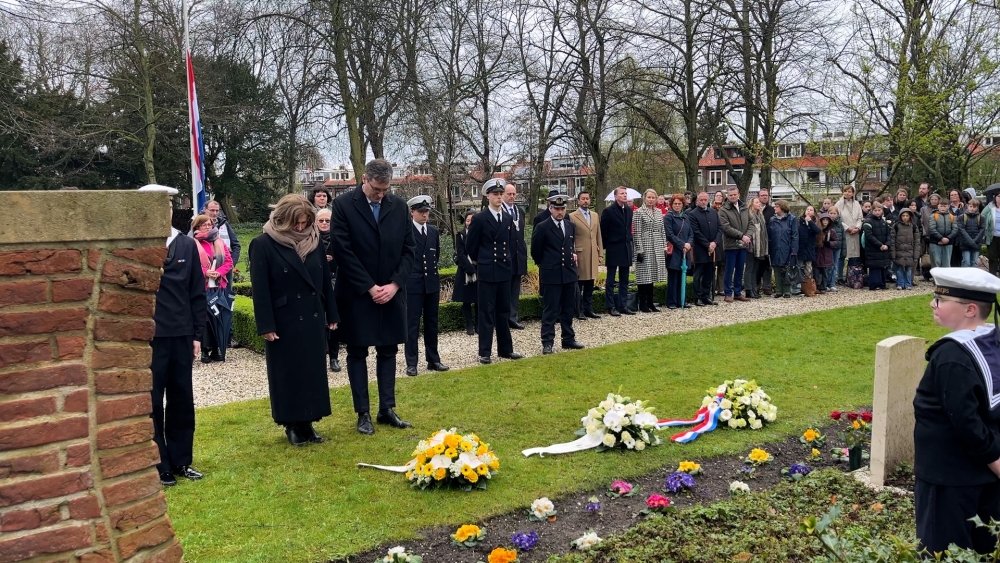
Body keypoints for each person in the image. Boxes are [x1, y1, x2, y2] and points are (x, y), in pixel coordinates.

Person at [914, 267, 1000, 555]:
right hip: (985, 478)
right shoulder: (993, 340)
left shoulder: (952, 357)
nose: (932, 304)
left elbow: (966, 422)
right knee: (987, 549)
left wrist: (995, 460)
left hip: (950, 478)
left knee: (944, 553)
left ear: (970, 309)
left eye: (940, 299)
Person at [330, 159, 414, 435]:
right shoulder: (343, 205)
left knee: (388, 349)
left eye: (385, 189)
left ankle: (386, 409)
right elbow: (343, 250)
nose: (381, 194)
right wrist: (368, 286)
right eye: (377, 189)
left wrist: (394, 285)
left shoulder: (399, 207)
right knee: (357, 351)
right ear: (364, 179)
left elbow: (408, 250)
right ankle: (362, 412)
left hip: (391, 293)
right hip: (357, 294)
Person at [249, 194, 339, 445]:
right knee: (287, 373)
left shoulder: (315, 241)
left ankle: (309, 421)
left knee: (312, 371)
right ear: (282, 219)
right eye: (295, 223)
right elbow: (260, 288)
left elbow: (323, 283)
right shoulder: (263, 244)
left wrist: (331, 313)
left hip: (311, 316)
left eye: (304, 222)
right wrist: (266, 324)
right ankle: (291, 423)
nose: (300, 228)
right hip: (284, 319)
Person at [146, 185, 206, 487]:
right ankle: (160, 464)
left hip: (181, 334)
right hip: (150, 337)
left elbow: (197, 292)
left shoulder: (185, 244)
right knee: (153, 400)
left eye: (167, 206)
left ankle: (182, 460)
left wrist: (197, 334)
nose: (163, 211)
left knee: (182, 398)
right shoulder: (139, 246)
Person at [468, 179, 524, 364]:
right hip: (487, 269)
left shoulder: (507, 218)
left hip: (503, 270)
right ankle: (485, 352)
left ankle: (505, 350)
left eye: (501, 194)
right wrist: (483, 260)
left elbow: (508, 243)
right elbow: (471, 247)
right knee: (486, 313)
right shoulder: (480, 219)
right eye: (495, 194)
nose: (499, 197)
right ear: (487, 196)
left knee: (503, 311)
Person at [531, 195, 585, 354]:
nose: (560, 212)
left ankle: (568, 339)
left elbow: (570, 247)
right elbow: (535, 252)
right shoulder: (542, 227)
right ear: (550, 209)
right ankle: (547, 342)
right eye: (557, 209)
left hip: (568, 273)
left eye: (562, 209)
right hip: (551, 274)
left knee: (568, 308)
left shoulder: (570, 226)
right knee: (550, 310)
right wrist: (547, 264)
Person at [404, 195, 450, 376]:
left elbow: (435, 256)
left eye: (426, 211)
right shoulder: (406, 232)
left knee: (432, 324)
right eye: (421, 211)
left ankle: (433, 360)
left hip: (431, 283)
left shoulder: (433, 232)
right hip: (414, 284)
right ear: (412, 212)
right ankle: (412, 362)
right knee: (412, 325)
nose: (425, 214)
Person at [191, 214, 233, 363]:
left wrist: (219, 273)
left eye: (210, 224)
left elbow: (229, 261)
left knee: (218, 317)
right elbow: (192, 264)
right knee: (205, 318)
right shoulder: (193, 243)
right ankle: (204, 350)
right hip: (203, 287)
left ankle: (217, 348)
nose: (208, 226)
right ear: (197, 227)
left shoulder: (219, 241)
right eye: (205, 225)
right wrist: (205, 272)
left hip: (218, 285)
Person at [601, 186, 636, 316]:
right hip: (613, 248)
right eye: (622, 193)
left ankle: (622, 305)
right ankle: (610, 306)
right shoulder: (608, 211)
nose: (625, 195)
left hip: (626, 248)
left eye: (626, 193)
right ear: (616, 197)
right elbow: (603, 231)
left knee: (624, 279)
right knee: (611, 279)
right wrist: (607, 246)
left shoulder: (629, 210)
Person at [569, 190, 603, 319]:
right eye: (583, 199)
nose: (585, 201)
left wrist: (600, 253)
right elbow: (570, 237)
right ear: (578, 201)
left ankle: (589, 308)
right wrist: (572, 252)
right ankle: (579, 310)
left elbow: (598, 235)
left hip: (593, 253)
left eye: (587, 198)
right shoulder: (572, 216)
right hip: (580, 253)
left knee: (590, 283)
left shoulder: (594, 215)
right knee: (580, 283)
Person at [633, 189, 668, 312]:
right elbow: (636, 232)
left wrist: (664, 245)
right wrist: (639, 250)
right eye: (649, 197)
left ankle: (650, 302)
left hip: (657, 245)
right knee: (644, 275)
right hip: (645, 245)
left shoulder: (658, 212)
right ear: (644, 198)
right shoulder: (638, 212)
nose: (651, 199)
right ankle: (642, 303)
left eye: (653, 197)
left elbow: (662, 230)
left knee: (653, 275)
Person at [316, 209, 342, 372]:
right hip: (316, 284)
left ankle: (334, 357)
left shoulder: (339, 238)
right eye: (321, 221)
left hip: (335, 281)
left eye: (328, 221)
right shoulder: (309, 238)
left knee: (334, 322)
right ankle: (319, 357)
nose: (325, 224)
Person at [502, 184, 528, 330]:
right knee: (505, 289)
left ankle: (513, 317)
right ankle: (503, 318)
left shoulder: (520, 211)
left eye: (513, 194)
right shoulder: (501, 212)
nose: (511, 197)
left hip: (518, 256)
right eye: (509, 194)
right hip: (506, 257)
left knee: (515, 289)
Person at [719, 186, 752, 302]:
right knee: (729, 270)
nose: (733, 196)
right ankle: (728, 293)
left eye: (735, 194)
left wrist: (747, 236)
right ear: (728, 196)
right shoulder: (723, 210)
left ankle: (738, 292)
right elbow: (726, 227)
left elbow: (751, 223)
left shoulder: (744, 208)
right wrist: (741, 235)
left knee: (740, 269)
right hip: (730, 245)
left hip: (743, 244)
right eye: (731, 195)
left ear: (738, 194)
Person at [690, 191, 720, 307]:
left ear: (708, 200)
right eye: (701, 200)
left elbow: (719, 228)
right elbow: (696, 232)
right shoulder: (693, 214)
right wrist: (708, 245)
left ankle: (705, 295)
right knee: (698, 274)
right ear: (697, 201)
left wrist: (714, 243)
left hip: (713, 248)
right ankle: (697, 297)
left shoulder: (713, 212)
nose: (703, 202)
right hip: (700, 249)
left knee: (709, 273)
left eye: (705, 200)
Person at [664, 194, 694, 309]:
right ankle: (671, 301)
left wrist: (689, 244)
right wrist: (682, 244)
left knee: (683, 276)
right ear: (671, 204)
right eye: (675, 204)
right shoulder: (669, 217)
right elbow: (669, 234)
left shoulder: (686, 217)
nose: (677, 206)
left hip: (685, 251)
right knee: (673, 277)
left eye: (679, 204)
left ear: (683, 205)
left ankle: (682, 300)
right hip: (675, 250)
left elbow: (691, 233)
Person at [453, 209, 479, 335]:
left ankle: (479, 325)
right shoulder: (460, 235)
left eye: (472, 220)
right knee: (467, 300)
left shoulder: (480, 234)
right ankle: (469, 325)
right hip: (465, 272)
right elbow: (460, 254)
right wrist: (469, 269)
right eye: (468, 220)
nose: (470, 223)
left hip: (479, 269)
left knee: (479, 299)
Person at [768, 200, 798, 299]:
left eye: (776, 206)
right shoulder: (772, 220)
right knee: (776, 268)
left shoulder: (792, 219)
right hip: (775, 247)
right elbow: (769, 235)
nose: (774, 208)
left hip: (787, 247)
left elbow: (795, 235)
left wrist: (794, 250)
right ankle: (778, 291)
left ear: (782, 207)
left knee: (787, 269)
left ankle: (786, 291)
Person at [835, 185, 864, 280]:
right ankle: (839, 277)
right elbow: (837, 218)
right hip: (844, 232)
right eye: (846, 191)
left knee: (853, 255)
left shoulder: (856, 204)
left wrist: (858, 227)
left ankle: (851, 276)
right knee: (842, 256)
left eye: (850, 191)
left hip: (855, 232)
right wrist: (847, 228)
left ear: (853, 193)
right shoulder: (839, 204)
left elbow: (860, 217)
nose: (848, 193)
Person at [743, 197, 769, 299]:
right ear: (751, 204)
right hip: (751, 246)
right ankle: (748, 290)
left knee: (755, 269)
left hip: (760, 247)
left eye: (759, 202)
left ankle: (754, 289)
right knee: (749, 269)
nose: (759, 204)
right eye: (757, 202)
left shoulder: (760, 216)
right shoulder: (749, 215)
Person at [863, 201, 892, 290]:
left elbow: (889, 234)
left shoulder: (884, 221)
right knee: (875, 268)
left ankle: (882, 284)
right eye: (875, 210)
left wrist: (887, 244)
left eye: (879, 210)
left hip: (884, 248)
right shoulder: (868, 221)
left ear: (882, 211)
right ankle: (874, 285)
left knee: (883, 267)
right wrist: (880, 245)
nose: (877, 212)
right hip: (873, 249)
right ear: (872, 211)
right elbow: (869, 236)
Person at [892, 208, 920, 290]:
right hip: (899, 250)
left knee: (909, 269)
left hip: (910, 250)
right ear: (900, 216)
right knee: (899, 269)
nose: (905, 217)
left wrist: (916, 255)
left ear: (910, 216)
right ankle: (900, 284)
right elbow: (892, 241)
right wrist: (893, 254)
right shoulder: (896, 226)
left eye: (907, 216)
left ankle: (908, 284)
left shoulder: (913, 226)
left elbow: (917, 241)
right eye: (903, 216)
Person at [795, 205, 821, 294]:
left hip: (809, 249)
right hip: (800, 249)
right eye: (807, 210)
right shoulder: (799, 221)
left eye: (811, 210)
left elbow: (817, 231)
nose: (809, 211)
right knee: (799, 268)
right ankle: (798, 287)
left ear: (814, 213)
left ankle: (808, 287)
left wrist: (810, 221)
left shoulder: (814, 222)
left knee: (808, 269)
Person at [929, 198, 958, 270]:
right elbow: (932, 229)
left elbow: (955, 229)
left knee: (946, 262)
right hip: (935, 242)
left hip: (948, 243)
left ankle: (945, 279)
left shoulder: (952, 217)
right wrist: (941, 238)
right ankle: (936, 279)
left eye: (944, 206)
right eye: (941, 206)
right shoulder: (933, 216)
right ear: (938, 206)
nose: (942, 208)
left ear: (948, 206)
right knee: (936, 261)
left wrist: (948, 238)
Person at [757, 189, 775, 295]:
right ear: (758, 196)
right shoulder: (754, 209)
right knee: (757, 264)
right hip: (758, 241)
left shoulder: (772, 210)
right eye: (762, 195)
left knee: (768, 265)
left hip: (769, 241)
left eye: (766, 195)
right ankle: (756, 285)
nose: (764, 197)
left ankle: (767, 286)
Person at [815, 212, 838, 294]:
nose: (825, 221)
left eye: (827, 220)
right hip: (817, 254)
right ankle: (816, 286)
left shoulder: (831, 231)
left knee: (825, 273)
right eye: (823, 220)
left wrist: (829, 243)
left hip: (826, 254)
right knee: (816, 273)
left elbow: (836, 242)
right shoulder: (817, 230)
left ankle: (823, 287)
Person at [958, 198, 985, 268]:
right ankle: (964, 278)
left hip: (976, 243)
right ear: (967, 206)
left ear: (977, 207)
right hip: (965, 244)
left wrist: (975, 241)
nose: (972, 208)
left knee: (974, 262)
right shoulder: (962, 217)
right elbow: (962, 230)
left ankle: (973, 278)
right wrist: (970, 241)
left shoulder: (981, 217)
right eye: (971, 206)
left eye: (974, 207)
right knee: (966, 262)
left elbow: (982, 230)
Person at [712, 191, 727, 296]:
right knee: (712, 265)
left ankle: (720, 288)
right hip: (713, 238)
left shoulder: (726, 209)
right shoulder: (710, 209)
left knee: (722, 265)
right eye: (716, 195)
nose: (718, 197)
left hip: (724, 239)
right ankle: (712, 288)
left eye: (720, 196)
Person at [827, 206, 845, 290]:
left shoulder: (840, 224)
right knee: (828, 266)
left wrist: (844, 250)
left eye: (834, 213)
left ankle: (832, 283)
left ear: (838, 214)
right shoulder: (826, 223)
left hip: (837, 247)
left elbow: (843, 238)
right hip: (828, 247)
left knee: (835, 266)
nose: (832, 215)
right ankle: (826, 283)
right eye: (831, 213)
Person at [985, 187, 1000, 276]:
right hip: (992, 236)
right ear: (995, 198)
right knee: (993, 257)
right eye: (998, 196)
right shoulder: (990, 207)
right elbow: (982, 216)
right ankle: (992, 276)